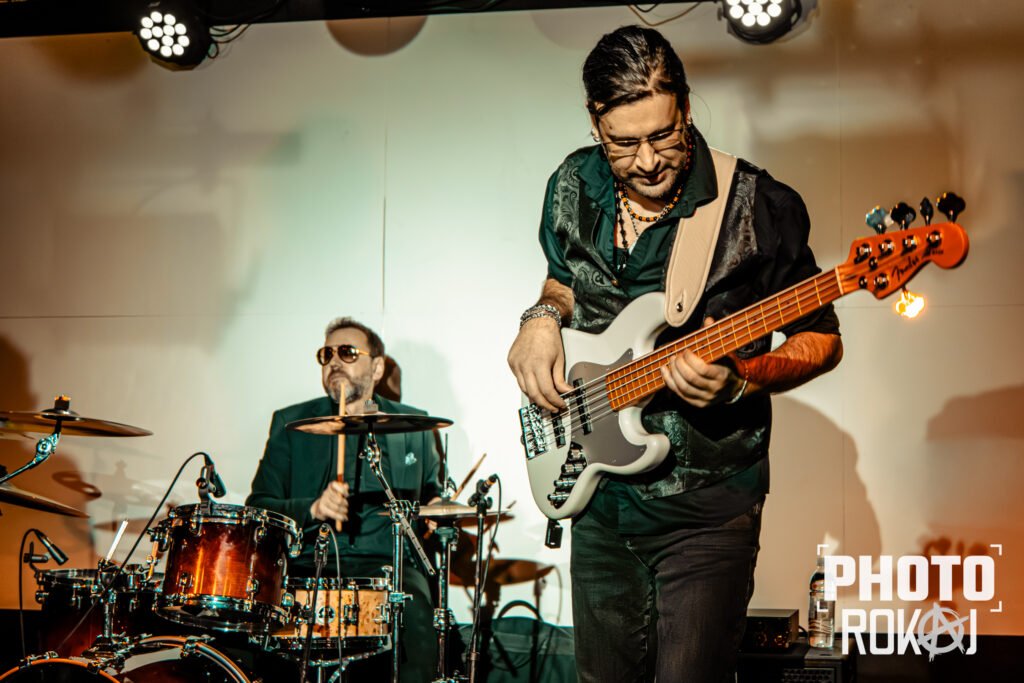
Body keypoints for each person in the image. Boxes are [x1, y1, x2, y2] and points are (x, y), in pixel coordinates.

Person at [507, 26, 843, 683]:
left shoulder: (758, 206)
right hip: (597, 499)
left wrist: (742, 380)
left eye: (663, 135)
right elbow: (564, 279)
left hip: (705, 510)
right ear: (595, 123)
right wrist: (542, 317)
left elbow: (822, 338)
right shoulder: (572, 182)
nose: (647, 160)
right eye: (623, 143)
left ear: (685, 108)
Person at [247, 317, 440, 682]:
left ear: (377, 368)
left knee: (416, 620)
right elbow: (258, 506)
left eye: (348, 352)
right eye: (327, 354)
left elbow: (431, 491)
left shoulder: (414, 426)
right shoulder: (290, 423)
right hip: (309, 564)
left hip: (390, 566)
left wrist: (435, 509)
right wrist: (312, 509)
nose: (334, 361)